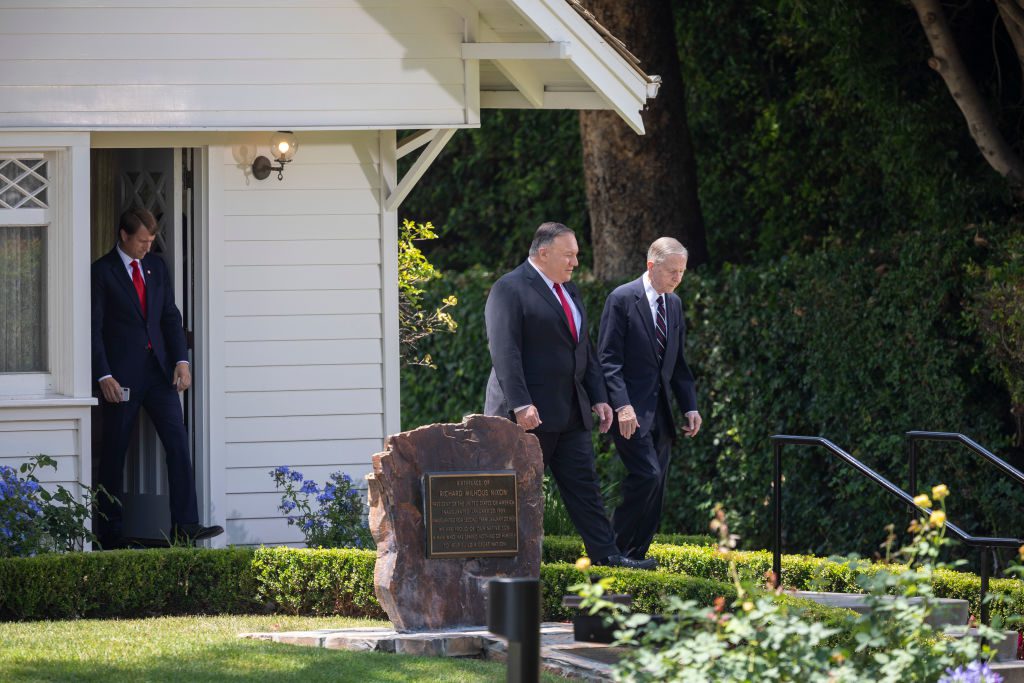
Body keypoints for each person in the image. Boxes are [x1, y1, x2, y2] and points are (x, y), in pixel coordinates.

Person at [484, 222, 656, 570]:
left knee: (585, 488)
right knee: (517, 492)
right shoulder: (509, 288)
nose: (575, 262)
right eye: (569, 255)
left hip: (571, 412)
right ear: (543, 253)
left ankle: (607, 557)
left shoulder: (570, 290)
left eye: (576, 255)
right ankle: (498, 564)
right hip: (528, 414)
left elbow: (584, 349)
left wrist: (600, 397)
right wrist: (520, 403)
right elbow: (505, 352)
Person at [92, 209, 222, 547]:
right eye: (141, 241)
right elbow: (93, 329)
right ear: (123, 235)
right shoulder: (102, 272)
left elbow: (169, 317)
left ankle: (185, 525)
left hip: (159, 373)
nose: (146, 247)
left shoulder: (156, 267)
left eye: (151, 241)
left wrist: (182, 361)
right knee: (114, 452)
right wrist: (103, 373)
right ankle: (110, 534)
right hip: (119, 378)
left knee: (178, 444)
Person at [598, 236, 701, 562]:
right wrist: (622, 406)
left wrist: (690, 406)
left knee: (657, 489)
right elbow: (608, 360)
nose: (677, 278)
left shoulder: (675, 304)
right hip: (629, 412)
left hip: (662, 415)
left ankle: (636, 556)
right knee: (646, 476)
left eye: (682, 272)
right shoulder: (622, 299)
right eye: (672, 271)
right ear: (651, 266)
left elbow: (679, 363)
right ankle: (613, 553)